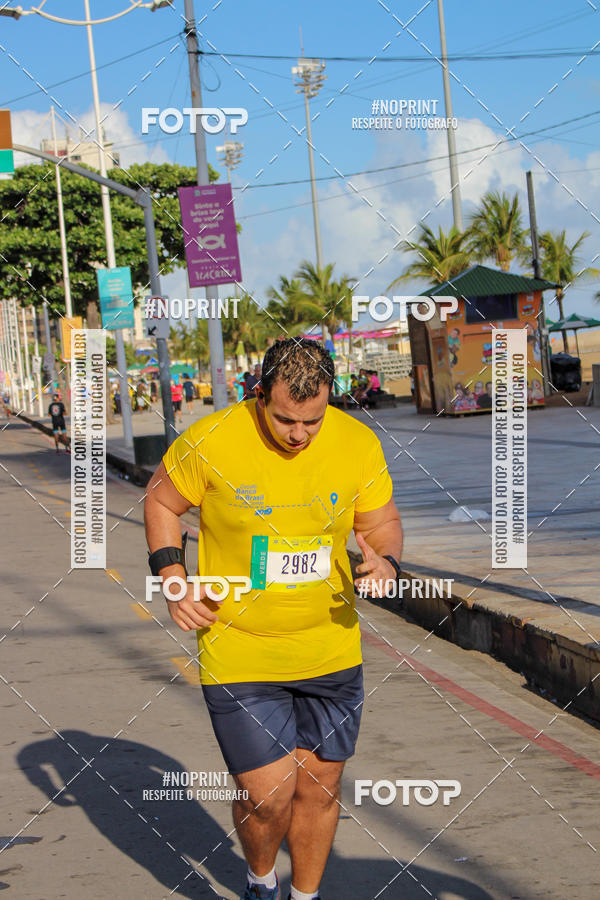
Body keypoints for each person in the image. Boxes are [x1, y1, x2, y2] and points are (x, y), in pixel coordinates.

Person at [144, 338, 403, 900]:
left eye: (312, 420)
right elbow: (161, 502)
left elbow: (380, 523)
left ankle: (306, 896)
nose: (299, 435)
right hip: (241, 647)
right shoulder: (212, 439)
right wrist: (172, 576)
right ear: (260, 395)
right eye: (285, 418)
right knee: (268, 794)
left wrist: (385, 561)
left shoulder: (356, 442)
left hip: (331, 646)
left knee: (320, 786)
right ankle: (261, 879)